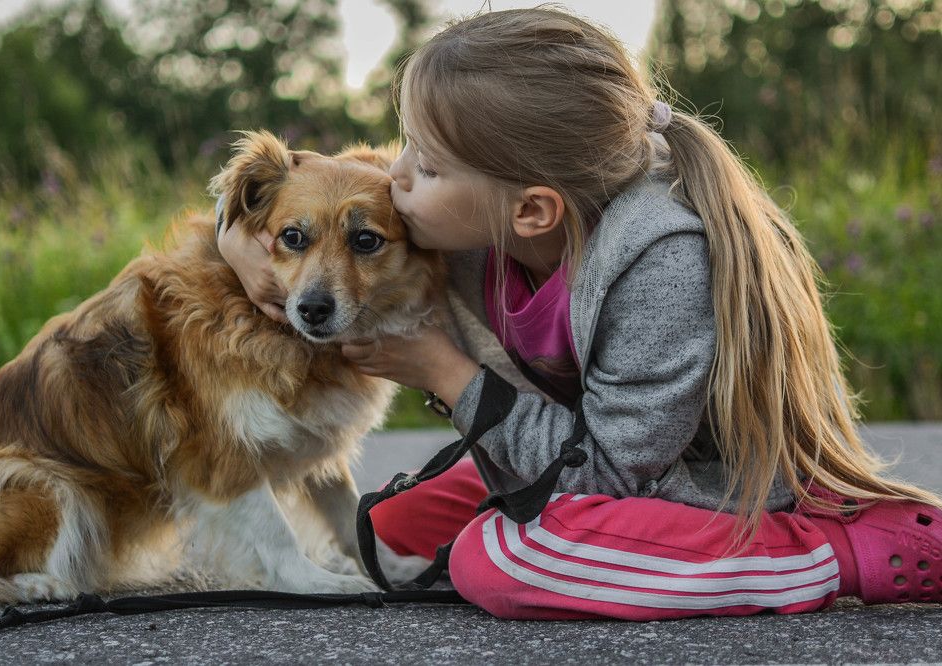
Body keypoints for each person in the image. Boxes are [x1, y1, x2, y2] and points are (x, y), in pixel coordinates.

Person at [216, 7, 942, 620]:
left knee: (497, 562)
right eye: (407, 145)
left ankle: (832, 554)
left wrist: (448, 373)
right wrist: (239, 248)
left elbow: (611, 472)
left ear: (533, 209)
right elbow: (315, 182)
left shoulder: (663, 264)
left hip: (700, 485)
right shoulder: (476, 224)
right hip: (598, 460)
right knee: (393, 524)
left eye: (426, 166)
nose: (395, 175)